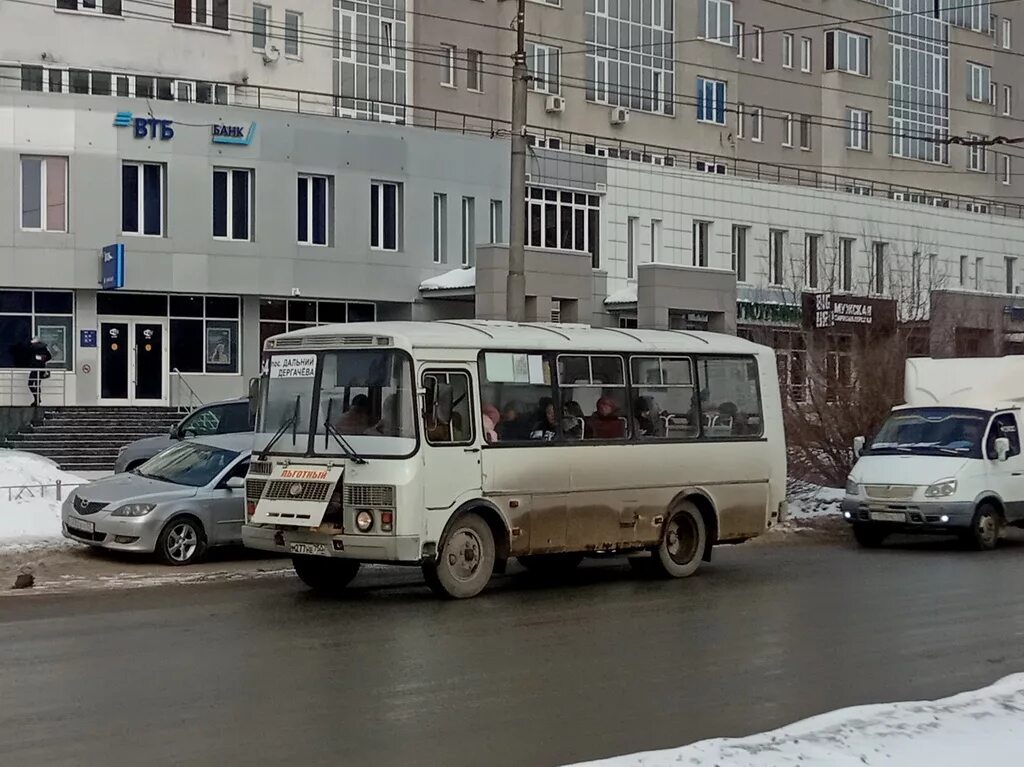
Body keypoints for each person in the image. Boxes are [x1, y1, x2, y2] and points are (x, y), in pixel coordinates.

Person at [24, 336, 52, 408]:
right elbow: (49, 356)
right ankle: (37, 399)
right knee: (37, 384)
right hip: (41, 369)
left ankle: (37, 399)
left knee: (31, 384)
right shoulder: (44, 348)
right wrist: (43, 360)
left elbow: (29, 356)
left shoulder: (33, 348)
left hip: (35, 369)